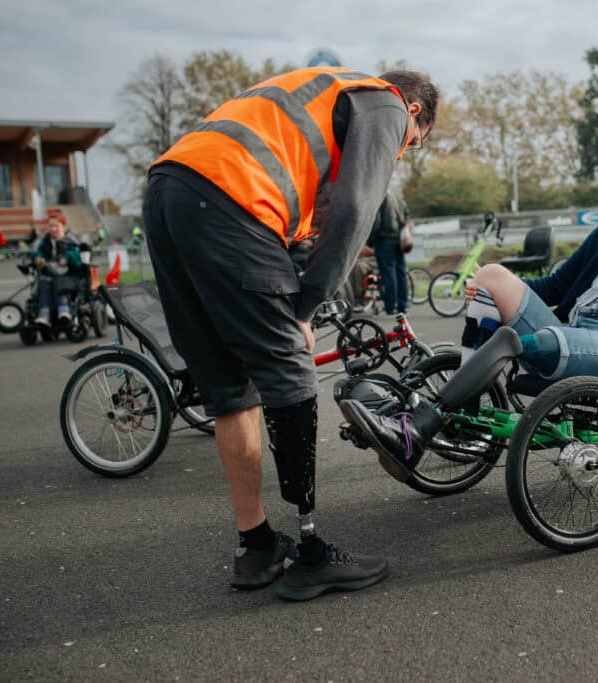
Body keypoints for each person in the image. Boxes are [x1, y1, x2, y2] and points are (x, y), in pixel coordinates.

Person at [142, 66, 438, 601]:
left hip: (169, 190)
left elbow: (310, 217)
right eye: (410, 146)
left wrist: (298, 283)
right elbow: (355, 211)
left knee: (230, 387)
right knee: (290, 373)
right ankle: (309, 554)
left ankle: (255, 546)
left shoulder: (321, 93)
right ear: (414, 113)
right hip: (230, 197)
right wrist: (304, 308)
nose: (400, 153)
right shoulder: (387, 102)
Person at [341, 154, 598, 482]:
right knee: (490, 275)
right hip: (574, 330)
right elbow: (555, 286)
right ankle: (464, 415)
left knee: (526, 341)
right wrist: (492, 292)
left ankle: (420, 427)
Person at [32, 212, 85, 326]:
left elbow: (76, 257)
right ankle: (44, 314)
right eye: (50, 226)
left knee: (59, 282)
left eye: (56, 226)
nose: (53, 229)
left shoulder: (71, 242)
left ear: (63, 226)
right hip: (50, 274)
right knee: (44, 282)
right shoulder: (45, 242)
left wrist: (67, 258)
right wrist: (37, 258)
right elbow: (38, 252)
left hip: (69, 276)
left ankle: (64, 309)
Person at [370, 190, 411, 317]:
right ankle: (402, 306)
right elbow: (406, 214)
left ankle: (389, 307)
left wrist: (370, 241)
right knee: (401, 273)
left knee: (388, 275)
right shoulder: (397, 193)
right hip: (399, 239)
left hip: (384, 239)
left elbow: (376, 222)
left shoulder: (380, 194)